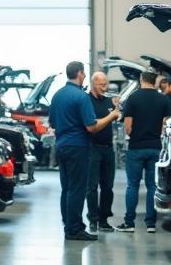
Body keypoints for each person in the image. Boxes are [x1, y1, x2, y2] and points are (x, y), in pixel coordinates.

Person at [49, 60, 121, 241]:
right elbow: (92, 127)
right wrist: (111, 116)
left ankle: (69, 224)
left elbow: (52, 123)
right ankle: (74, 229)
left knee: (66, 188)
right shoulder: (81, 97)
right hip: (78, 147)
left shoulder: (57, 95)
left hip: (61, 145)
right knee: (77, 189)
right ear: (80, 74)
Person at [116, 69, 171, 234]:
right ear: (155, 81)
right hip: (155, 147)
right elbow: (166, 124)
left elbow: (127, 127)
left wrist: (135, 134)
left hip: (136, 147)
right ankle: (151, 224)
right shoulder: (163, 99)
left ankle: (129, 223)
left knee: (132, 185)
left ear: (141, 79)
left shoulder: (133, 98)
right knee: (152, 187)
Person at [86, 71, 118, 232]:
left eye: (106, 84)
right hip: (92, 148)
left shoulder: (108, 101)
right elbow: (92, 125)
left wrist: (118, 108)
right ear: (93, 84)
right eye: (101, 84)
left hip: (108, 149)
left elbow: (118, 115)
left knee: (108, 187)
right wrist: (112, 115)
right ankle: (93, 219)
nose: (104, 87)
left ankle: (104, 219)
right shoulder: (87, 101)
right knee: (92, 187)